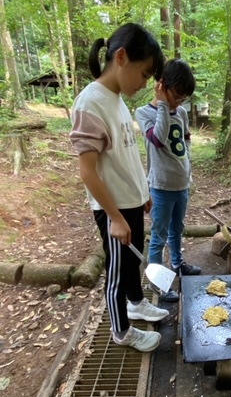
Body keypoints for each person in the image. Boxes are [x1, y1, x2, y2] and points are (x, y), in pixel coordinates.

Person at [70, 23, 169, 353]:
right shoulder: (90, 103)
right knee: (117, 271)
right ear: (122, 57)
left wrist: (143, 192)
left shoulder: (117, 100)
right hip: (113, 208)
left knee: (132, 261)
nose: (144, 84)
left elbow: (126, 155)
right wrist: (114, 217)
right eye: (144, 74)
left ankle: (136, 303)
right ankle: (121, 331)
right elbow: (87, 171)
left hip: (130, 202)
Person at [135, 59, 201, 303]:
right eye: (177, 95)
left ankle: (177, 263)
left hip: (182, 184)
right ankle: (159, 284)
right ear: (162, 86)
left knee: (177, 229)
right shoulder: (144, 113)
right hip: (161, 187)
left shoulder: (180, 112)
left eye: (184, 98)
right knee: (158, 237)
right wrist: (163, 104)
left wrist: (186, 163)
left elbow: (186, 138)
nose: (180, 102)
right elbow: (159, 138)